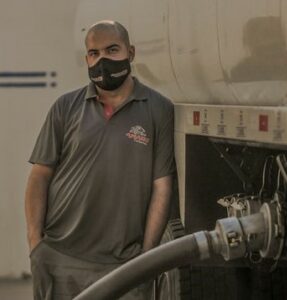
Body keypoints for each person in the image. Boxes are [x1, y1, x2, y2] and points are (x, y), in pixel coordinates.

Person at [25, 20, 175, 300]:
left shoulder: (158, 109)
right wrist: (36, 246)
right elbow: (39, 176)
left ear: (131, 52)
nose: (102, 60)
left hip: (123, 264)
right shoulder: (65, 107)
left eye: (111, 50)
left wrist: (146, 257)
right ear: (86, 58)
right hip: (60, 257)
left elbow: (161, 187)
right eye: (94, 53)